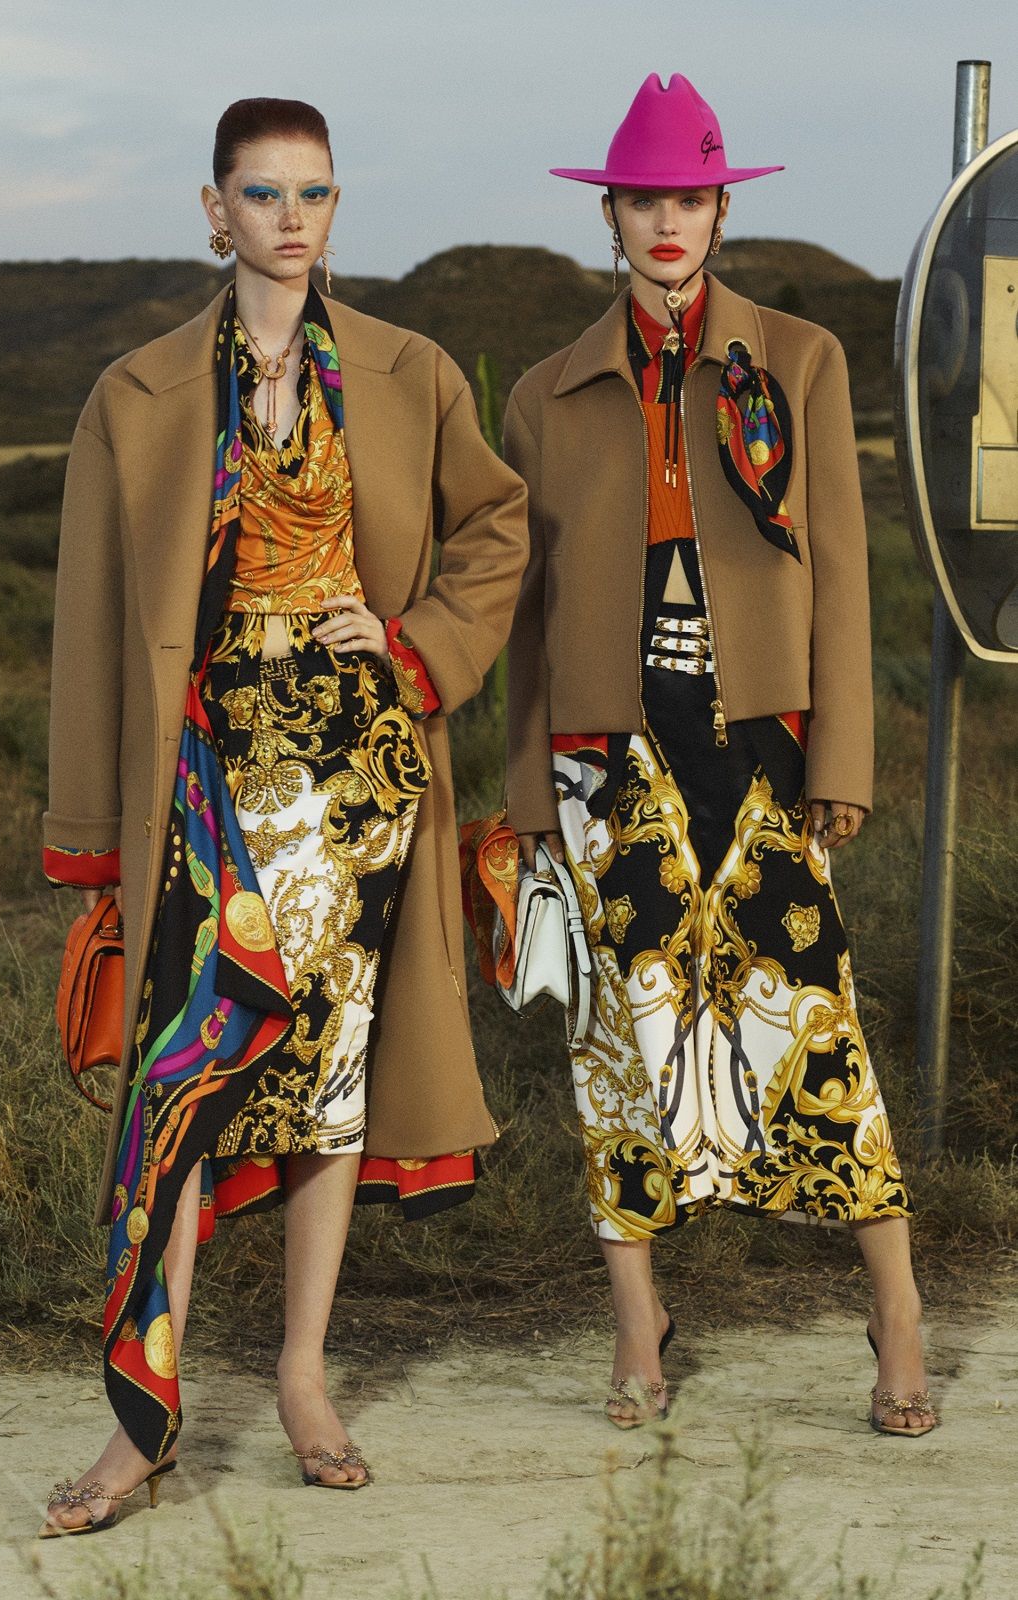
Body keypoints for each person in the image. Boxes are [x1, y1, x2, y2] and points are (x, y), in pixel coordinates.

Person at [41, 96, 527, 1532]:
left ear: (335, 205)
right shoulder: (135, 391)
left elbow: (497, 525)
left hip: (356, 777)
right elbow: (87, 621)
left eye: (314, 191)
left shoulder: (407, 369)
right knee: (179, 1086)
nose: (291, 216)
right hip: (199, 778)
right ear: (215, 211)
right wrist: (92, 831)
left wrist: (417, 638)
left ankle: (305, 1375)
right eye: (263, 193)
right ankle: (141, 1418)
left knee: (329, 1080)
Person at [504, 73, 935, 1437]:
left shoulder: (798, 360)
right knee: (616, 1043)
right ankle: (638, 1328)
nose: (666, 221)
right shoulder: (544, 394)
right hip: (605, 750)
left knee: (813, 1025)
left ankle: (897, 1316)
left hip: (764, 738)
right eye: (642, 199)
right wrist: (528, 795)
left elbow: (843, 567)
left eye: (688, 197)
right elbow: (525, 615)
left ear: (720, 209)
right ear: (610, 216)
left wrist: (843, 759)